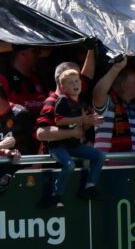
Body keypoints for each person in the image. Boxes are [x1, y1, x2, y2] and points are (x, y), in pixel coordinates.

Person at [35, 65, 104, 208]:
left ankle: (89, 187)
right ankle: (55, 196)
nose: (76, 83)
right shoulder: (52, 102)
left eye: (77, 80)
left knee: (99, 156)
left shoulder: (79, 102)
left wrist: (89, 122)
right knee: (69, 165)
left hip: (74, 154)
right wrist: (75, 129)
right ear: (62, 84)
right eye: (71, 80)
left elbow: (81, 128)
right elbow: (41, 134)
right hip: (55, 162)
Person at [92, 55, 135, 152]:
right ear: (123, 86)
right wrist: (116, 68)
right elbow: (98, 93)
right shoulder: (108, 104)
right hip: (112, 165)